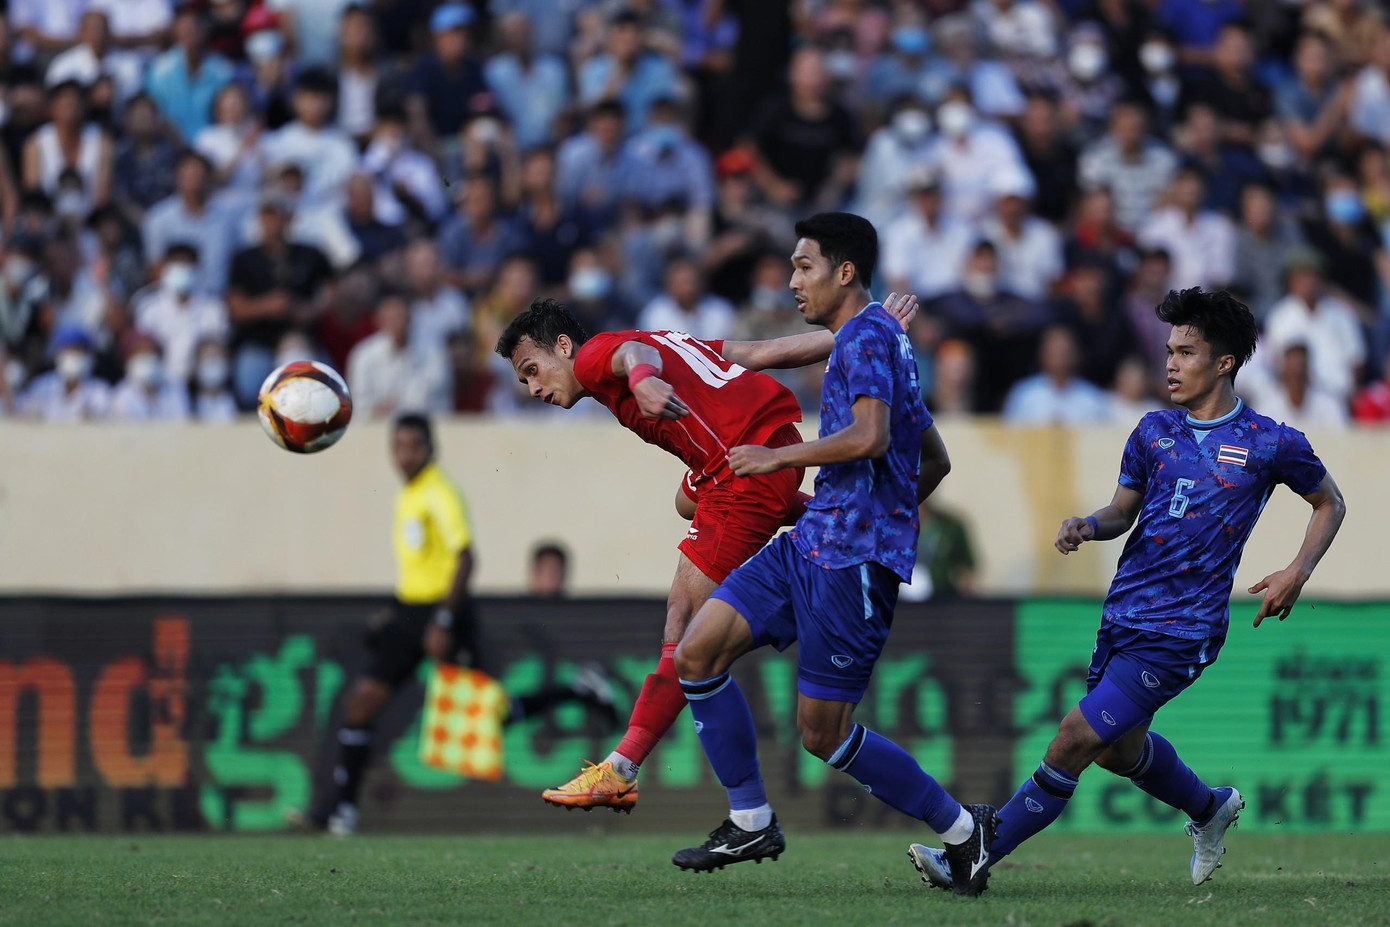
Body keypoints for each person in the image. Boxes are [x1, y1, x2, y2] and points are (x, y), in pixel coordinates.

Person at [909, 287, 1345, 890]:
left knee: (1073, 739)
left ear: (1224, 363)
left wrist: (1297, 571)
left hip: (1182, 629)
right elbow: (1123, 511)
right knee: (1115, 750)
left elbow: (1330, 501)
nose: (1169, 362)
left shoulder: (1272, 442)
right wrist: (1090, 525)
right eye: (1168, 350)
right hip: (1123, 616)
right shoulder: (1152, 431)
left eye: (1185, 352)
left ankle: (973, 856)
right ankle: (1209, 807)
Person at [663, 212, 996, 897]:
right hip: (810, 545)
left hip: (852, 568)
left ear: (844, 272)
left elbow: (873, 436)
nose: (792, 281)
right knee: (695, 653)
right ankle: (750, 818)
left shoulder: (871, 337)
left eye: (803, 266)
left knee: (823, 734)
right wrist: (889, 506)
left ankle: (965, 831)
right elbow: (932, 455)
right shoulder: (874, 337)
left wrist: (778, 459)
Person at [493, 280, 918, 814]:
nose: (533, 388)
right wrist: (866, 333)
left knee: (684, 622)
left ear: (562, 347)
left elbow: (632, 356)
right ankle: (821, 518)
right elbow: (757, 353)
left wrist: (643, 380)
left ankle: (622, 769)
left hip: (742, 470)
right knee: (682, 503)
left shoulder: (601, 354)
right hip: (767, 450)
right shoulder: (666, 337)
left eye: (531, 371)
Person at [302, 414, 615, 835]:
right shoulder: (409, 495)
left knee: (490, 720)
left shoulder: (440, 493)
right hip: (410, 615)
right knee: (361, 704)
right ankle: (340, 811)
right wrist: (395, 613)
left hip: (444, 616)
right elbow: (421, 566)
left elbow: (466, 559)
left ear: (430, 449)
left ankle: (578, 690)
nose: (405, 454)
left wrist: (443, 621)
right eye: (399, 446)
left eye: (414, 446)